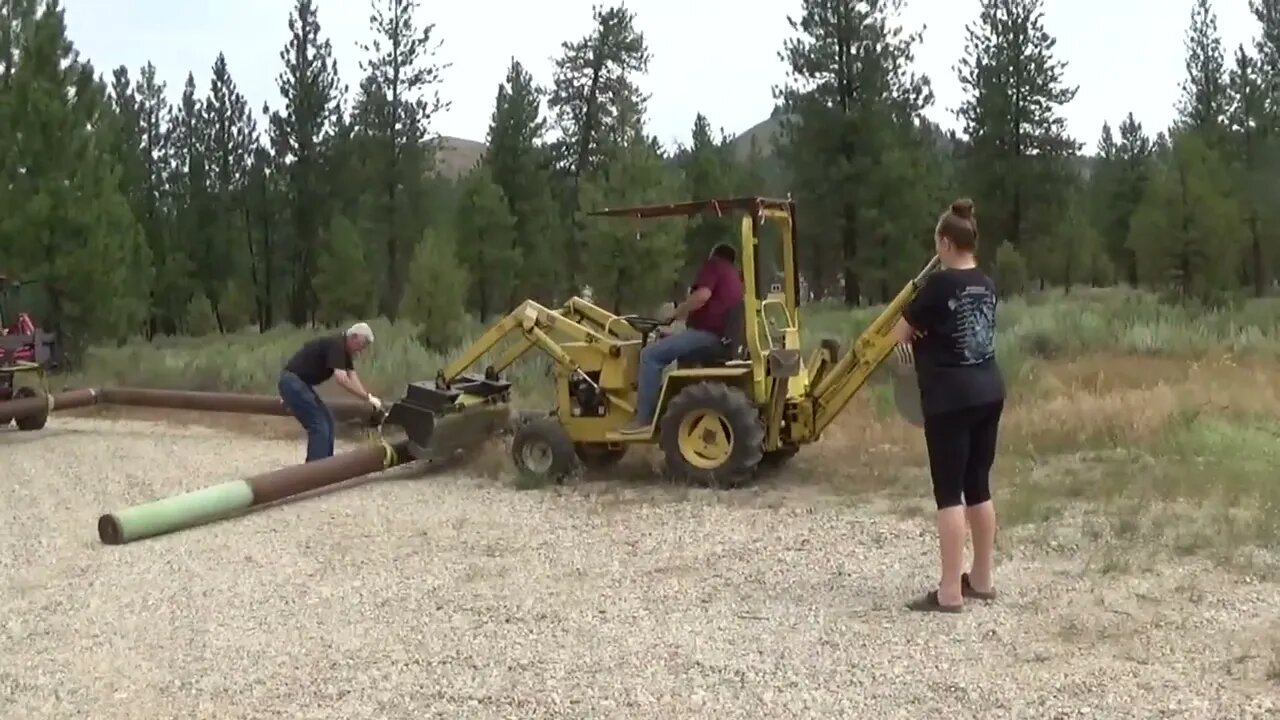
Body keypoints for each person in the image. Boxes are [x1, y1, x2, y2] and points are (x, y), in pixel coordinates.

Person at [891, 198, 1005, 613]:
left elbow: (899, 334)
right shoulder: (987, 284)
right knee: (979, 486)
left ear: (944, 242)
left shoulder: (937, 286)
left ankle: (949, 592)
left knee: (948, 495)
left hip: (950, 399)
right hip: (989, 390)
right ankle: (981, 579)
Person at [618, 242, 745, 434]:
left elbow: (702, 296)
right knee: (675, 350)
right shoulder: (734, 276)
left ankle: (643, 418)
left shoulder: (714, 266)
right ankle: (667, 409)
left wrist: (673, 314)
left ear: (714, 254)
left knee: (650, 355)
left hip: (708, 336)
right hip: (723, 338)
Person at [278, 322, 384, 462]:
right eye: (362, 345)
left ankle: (327, 468)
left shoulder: (344, 351)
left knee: (328, 421)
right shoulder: (337, 346)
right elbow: (342, 379)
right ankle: (315, 473)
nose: (361, 350)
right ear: (354, 337)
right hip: (293, 382)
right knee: (319, 425)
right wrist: (367, 397)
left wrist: (368, 398)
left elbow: (352, 376)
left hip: (298, 384)